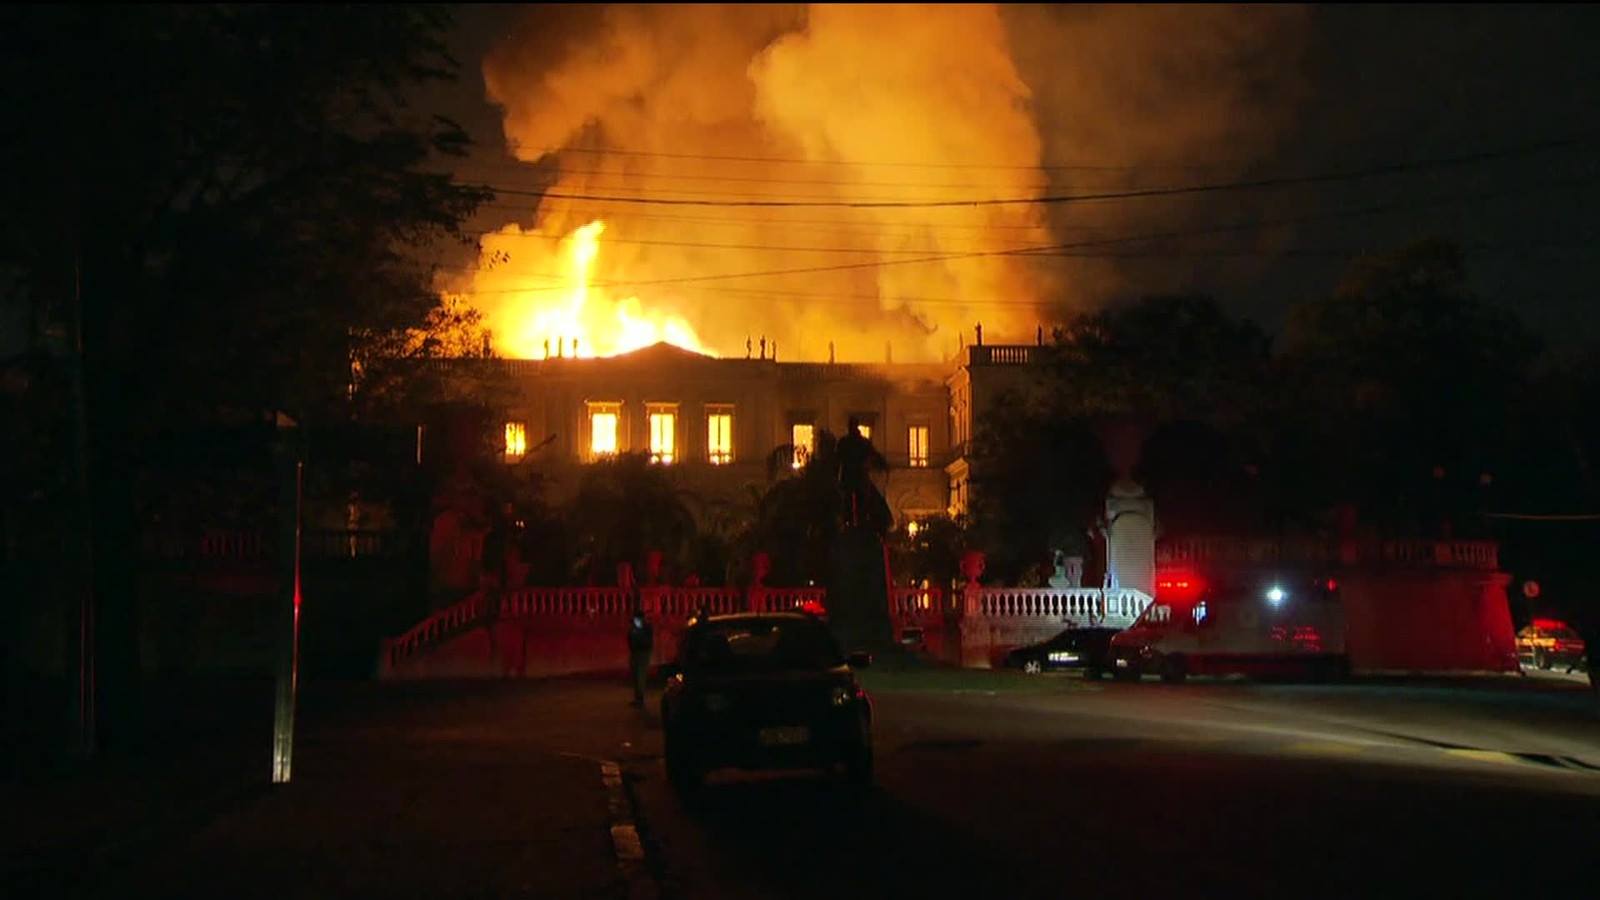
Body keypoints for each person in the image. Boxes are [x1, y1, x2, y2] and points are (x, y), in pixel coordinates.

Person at [627, 612, 654, 707]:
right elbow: (629, 639)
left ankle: (640, 699)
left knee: (640, 676)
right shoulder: (634, 628)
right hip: (635, 653)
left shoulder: (646, 628)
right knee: (635, 676)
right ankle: (637, 698)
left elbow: (648, 642)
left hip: (643, 654)